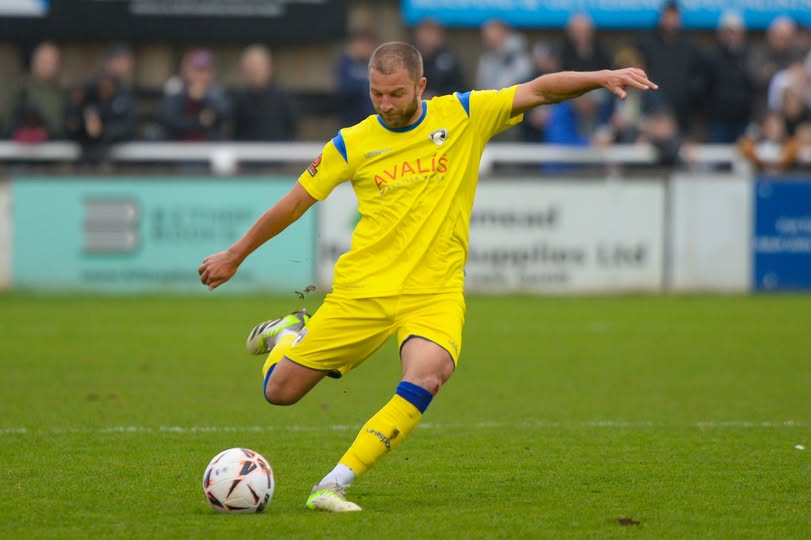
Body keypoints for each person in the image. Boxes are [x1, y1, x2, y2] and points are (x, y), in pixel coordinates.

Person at [198, 41, 657, 512]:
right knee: (280, 392)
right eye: (377, 94)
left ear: (420, 85)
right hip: (365, 291)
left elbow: (539, 91)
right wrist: (235, 254)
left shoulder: (462, 114)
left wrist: (600, 76)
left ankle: (333, 484)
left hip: (434, 291)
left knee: (429, 374)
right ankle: (289, 334)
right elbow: (294, 203)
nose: (386, 105)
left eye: (396, 93)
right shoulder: (351, 142)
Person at [634, 0, 704, 134]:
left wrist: (688, 93)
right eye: (668, 16)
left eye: (674, 16)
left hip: (682, 112)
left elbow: (698, 75)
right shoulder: (646, 43)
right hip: (655, 112)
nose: (671, 20)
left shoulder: (689, 45)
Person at [64, 44, 138, 164]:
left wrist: (103, 130)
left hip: (117, 159)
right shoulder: (87, 89)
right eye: (117, 60)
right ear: (107, 63)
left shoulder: (126, 94)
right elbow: (70, 122)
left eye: (124, 61)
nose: (120, 66)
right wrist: (86, 122)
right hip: (84, 154)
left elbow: (128, 126)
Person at [703, 11, 756, 143]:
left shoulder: (749, 56)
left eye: (734, 32)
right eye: (727, 32)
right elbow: (705, 86)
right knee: (717, 157)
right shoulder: (712, 57)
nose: (731, 36)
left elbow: (753, 84)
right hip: (718, 120)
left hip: (743, 119)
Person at [231, 44, 298, 141]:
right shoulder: (238, 100)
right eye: (250, 68)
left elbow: (291, 131)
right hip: (246, 153)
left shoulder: (283, 98)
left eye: (258, 67)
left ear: (269, 69)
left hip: (278, 153)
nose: (254, 72)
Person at [160, 49, 229, 141]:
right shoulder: (175, 88)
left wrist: (204, 98)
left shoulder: (215, 91)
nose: (201, 76)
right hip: (177, 149)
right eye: (197, 70)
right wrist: (198, 122)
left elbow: (224, 113)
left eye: (206, 71)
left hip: (208, 149)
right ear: (186, 70)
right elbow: (171, 122)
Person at [3, 41, 65, 142]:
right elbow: (6, 122)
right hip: (20, 153)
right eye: (42, 60)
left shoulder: (64, 93)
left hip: (55, 150)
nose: (46, 65)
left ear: (58, 64)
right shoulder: (21, 90)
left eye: (50, 62)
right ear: (34, 61)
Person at [335, 30, 379, 127]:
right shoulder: (345, 64)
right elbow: (345, 88)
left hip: (374, 119)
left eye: (368, 44)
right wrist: (365, 84)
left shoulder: (377, 64)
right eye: (362, 44)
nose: (365, 48)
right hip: (351, 120)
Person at [413, 18, 466, 99]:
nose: (427, 38)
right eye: (425, 33)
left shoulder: (449, 61)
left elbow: (460, 89)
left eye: (432, 33)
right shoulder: (411, 59)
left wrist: (437, 95)